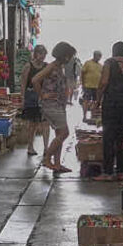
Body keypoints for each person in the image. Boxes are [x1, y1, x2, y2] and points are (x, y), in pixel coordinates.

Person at [96, 41, 123, 181]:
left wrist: (98, 100)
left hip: (111, 104)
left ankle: (108, 172)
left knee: (108, 137)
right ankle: (121, 171)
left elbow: (103, 83)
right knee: (122, 137)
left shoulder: (109, 63)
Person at [32, 41, 77, 173]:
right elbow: (35, 80)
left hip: (58, 105)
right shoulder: (51, 66)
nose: (71, 58)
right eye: (70, 56)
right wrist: (42, 95)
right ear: (65, 56)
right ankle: (47, 159)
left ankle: (57, 164)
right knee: (64, 133)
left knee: (59, 134)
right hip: (51, 105)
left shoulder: (59, 67)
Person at [19, 44, 51, 157]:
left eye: (44, 54)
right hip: (31, 96)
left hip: (43, 97)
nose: (42, 56)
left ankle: (46, 148)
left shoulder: (47, 67)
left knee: (45, 123)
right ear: (35, 54)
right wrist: (22, 98)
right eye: (40, 54)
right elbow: (23, 83)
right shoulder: (28, 66)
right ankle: (30, 146)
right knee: (33, 124)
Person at [81, 50, 103, 119]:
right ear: (94, 55)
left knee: (95, 101)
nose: (99, 58)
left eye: (100, 56)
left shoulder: (100, 66)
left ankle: (92, 115)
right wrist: (82, 83)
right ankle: (84, 116)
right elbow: (82, 73)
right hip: (88, 85)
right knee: (86, 100)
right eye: (98, 56)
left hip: (97, 87)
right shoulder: (88, 63)